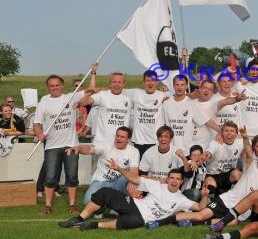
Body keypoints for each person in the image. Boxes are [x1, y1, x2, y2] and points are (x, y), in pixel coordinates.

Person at [58, 166, 194, 230]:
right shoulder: (157, 185)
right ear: (168, 179)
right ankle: (79, 219)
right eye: (172, 178)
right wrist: (119, 169)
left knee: (125, 223)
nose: (174, 181)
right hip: (134, 204)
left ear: (181, 182)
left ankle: (93, 225)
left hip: (142, 218)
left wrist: (206, 196)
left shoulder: (182, 199)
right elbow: (135, 178)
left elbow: (199, 209)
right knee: (105, 191)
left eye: (177, 179)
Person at [34, 74, 86, 214]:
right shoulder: (43, 103)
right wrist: (39, 134)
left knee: (72, 176)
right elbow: (37, 124)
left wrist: (93, 72)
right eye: (52, 86)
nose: (55, 88)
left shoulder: (71, 97)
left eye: (57, 85)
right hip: (51, 146)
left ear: (62, 86)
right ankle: (48, 207)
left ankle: (72, 206)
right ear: (48, 87)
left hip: (71, 144)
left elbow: (91, 90)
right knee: (50, 178)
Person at [65, 126, 139, 205]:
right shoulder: (106, 146)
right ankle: (104, 206)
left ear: (128, 139)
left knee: (134, 184)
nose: (118, 139)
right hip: (101, 182)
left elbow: (134, 171)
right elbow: (90, 149)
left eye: (122, 137)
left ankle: (121, 206)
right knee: (88, 202)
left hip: (119, 182)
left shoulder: (133, 151)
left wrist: (132, 183)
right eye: (117, 136)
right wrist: (79, 148)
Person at [79, 70, 131, 150]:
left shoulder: (129, 98)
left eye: (119, 82)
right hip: (101, 145)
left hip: (120, 146)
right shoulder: (102, 95)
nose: (117, 84)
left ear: (124, 84)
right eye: (114, 82)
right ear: (110, 83)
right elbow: (90, 100)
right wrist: (82, 101)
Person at [123, 70, 169, 158]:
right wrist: (94, 90)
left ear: (157, 82)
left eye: (153, 80)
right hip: (139, 142)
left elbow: (181, 93)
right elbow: (117, 89)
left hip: (156, 141)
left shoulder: (163, 95)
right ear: (144, 82)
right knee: (140, 170)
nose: (150, 83)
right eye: (148, 80)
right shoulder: (136, 93)